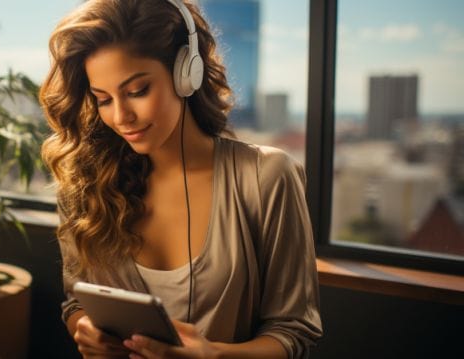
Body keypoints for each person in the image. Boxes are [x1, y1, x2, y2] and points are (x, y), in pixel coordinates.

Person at [40, 0, 322, 358]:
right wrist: (84, 329)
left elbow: (294, 332)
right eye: (103, 99)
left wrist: (213, 356)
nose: (121, 116)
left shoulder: (266, 177)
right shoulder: (84, 184)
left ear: (186, 73)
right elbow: (75, 304)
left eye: (137, 91)